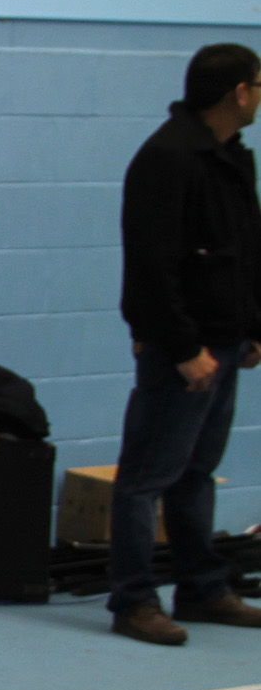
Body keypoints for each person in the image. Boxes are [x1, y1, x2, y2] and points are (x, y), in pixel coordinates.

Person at [108, 43, 261, 646]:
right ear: (239, 94)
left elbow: (246, 249)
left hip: (225, 344)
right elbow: (150, 267)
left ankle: (202, 588)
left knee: (197, 473)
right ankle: (133, 600)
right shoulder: (167, 158)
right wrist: (180, 347)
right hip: (185, 351)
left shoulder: (231, 157)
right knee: (145, 479)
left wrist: (251, 327)